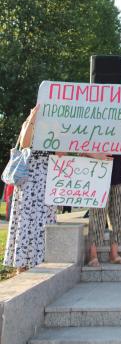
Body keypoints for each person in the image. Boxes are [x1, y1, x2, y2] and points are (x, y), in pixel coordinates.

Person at [87, 93, 121, 266]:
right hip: (99, 177)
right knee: (97, 216)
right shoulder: (94, 126)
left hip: (119, 176)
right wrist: (96, 154)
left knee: (117, 217)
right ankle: (93, 255)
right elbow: (80, 146)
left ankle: (114, 254)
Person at [4, 105, 57, 273]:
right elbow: (25, 145)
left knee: (43, 222)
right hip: (28, 181)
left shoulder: (54, 127)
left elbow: (60, 154)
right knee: (25, 222)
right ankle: (22, 265)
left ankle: (40, 262)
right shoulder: (29, 123)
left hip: (46, 181)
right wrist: (32, 118)